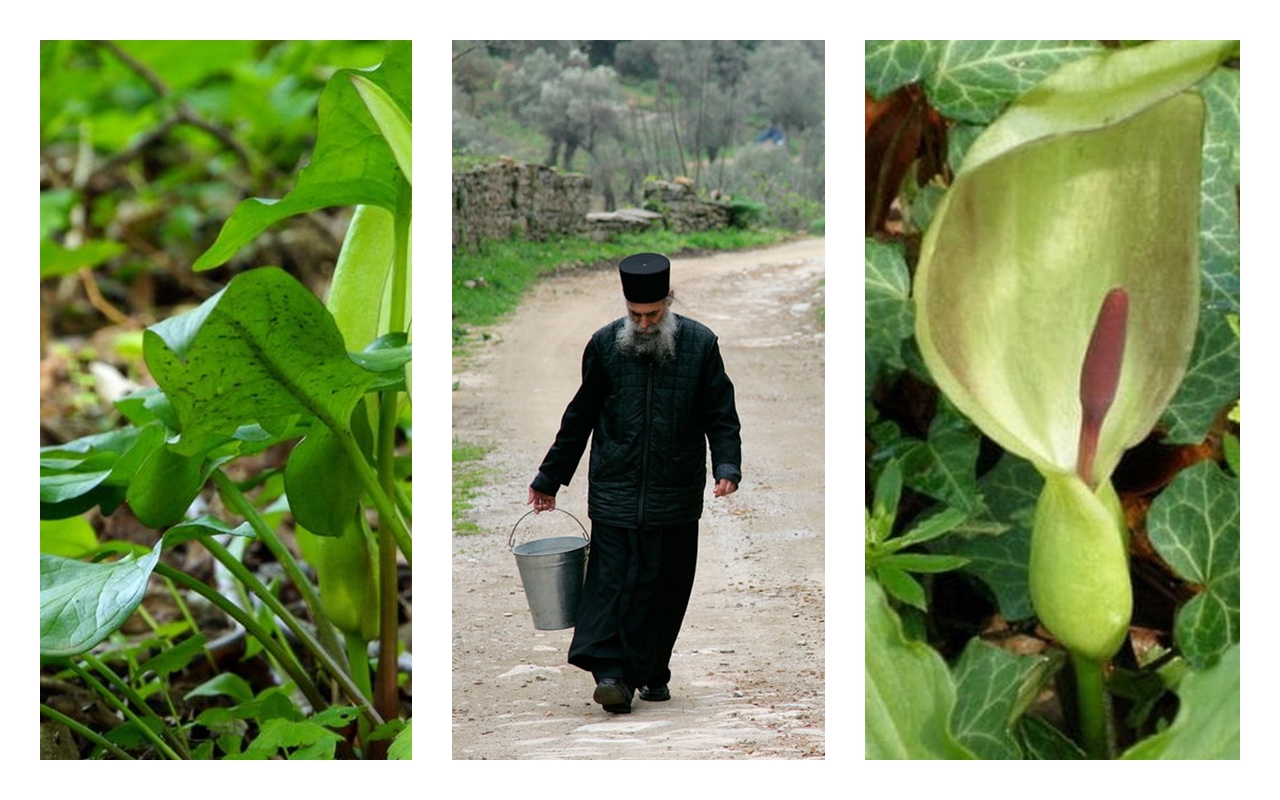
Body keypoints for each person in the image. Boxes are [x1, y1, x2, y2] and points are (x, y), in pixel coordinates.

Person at [527, 252, 743, 714]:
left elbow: (720, 415)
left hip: (676, 494)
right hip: (616, 491)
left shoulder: (701, 345)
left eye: (652, 314)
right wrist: (550, 478)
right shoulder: (605, 345)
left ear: (668, 301)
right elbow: (579, 416)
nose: (643, 324)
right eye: (635, 315)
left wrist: (727, 467)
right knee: (610, 585)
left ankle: (653, 672)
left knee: (665, 589)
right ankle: (612, 675)